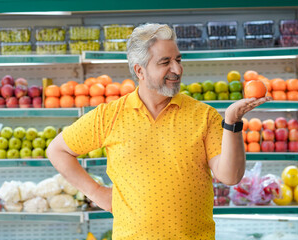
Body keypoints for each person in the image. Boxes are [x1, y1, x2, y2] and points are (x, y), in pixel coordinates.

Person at [47, 23, 271, 239]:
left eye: (178, 60)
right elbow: (57, 150)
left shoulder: (204, 116)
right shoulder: (109, 116)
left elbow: (230, 177)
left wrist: (232, 122)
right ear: (140, 71)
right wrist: (98, 193)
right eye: (165, 62)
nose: (177, 69)